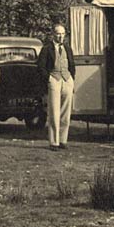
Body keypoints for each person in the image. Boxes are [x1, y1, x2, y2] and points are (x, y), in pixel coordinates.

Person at [37, 23, 76, 151]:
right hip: (54, 79)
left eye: (62, 34)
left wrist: (71, 79)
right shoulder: (47, 48)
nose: (60, 36)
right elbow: (41, 67)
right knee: (54, 111)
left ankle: (63, 140)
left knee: (66, 111)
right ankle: (54, 141)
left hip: (66, 79)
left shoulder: (68, 48)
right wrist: (49, 78)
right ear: (53, 34)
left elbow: (72, 65)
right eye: (58, 33)